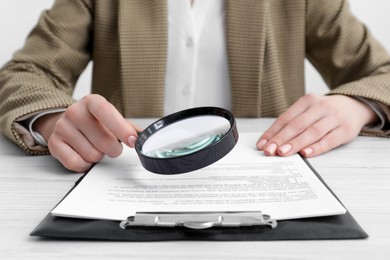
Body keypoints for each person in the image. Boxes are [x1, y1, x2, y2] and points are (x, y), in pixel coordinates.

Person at [0, 0, 389, 173]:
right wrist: (53, 119)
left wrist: (355, 106)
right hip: (127, 178)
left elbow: (382, 73)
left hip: (266, 178)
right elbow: (24, 73)